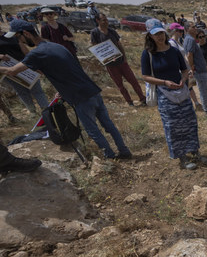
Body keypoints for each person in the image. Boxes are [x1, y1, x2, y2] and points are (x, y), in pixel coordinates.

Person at [1, 19, 131, 159]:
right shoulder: (55, 46)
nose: (20, 41)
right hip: (92, 90)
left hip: (80, 97)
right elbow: (65, 70)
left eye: (18, 37)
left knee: (92, 129)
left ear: (26, 33)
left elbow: (12, 71)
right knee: (108, 125)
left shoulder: (37, 53)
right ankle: (124, 151)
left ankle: (110, 156)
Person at [140, 19, 202, 170]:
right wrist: (164, 82)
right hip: (164, 93)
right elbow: (145, 76)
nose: (160, 37)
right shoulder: (148, 54)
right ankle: (182, 157)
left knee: (189, 121)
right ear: (150, 36)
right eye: (156, 34)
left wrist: (183, 79)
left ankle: (194, 151)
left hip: (181, 91)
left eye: (161, 33)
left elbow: (185, 70)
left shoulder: (173, 50)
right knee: (173, 126)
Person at [90, 13, 146, 106]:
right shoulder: (94, 32)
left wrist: (124, 57)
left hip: (121, 61)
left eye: (106, 19)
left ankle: (142, 98)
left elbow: (119, 44)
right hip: (110, 64)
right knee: (120, 84)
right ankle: (129, 101)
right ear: (98, 21)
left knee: (133, 81)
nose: (106, 22)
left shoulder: (112, 31)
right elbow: (96, 48)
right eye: (103, 20)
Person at [0, 25, 50, 115]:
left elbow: (24, 49)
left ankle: (46, 110)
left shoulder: (10, 35)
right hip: (7, 69)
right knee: (21, 91)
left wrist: (34, 63)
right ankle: (32, 112)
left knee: (36, 89)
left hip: (23, 64)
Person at [168, 22, 200, 109]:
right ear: (174, 31)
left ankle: (195, 104)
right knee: (185, 89)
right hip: (180, 71)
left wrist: (189, 68)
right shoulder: (172, 43)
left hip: (184, 70)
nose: (181, 32)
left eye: (182, 31)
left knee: (189, 87)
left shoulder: (177, 42)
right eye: (179, 31)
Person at [183, 22, 207, 115]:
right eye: (193, 27)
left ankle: (206, 109)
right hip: (199, 70)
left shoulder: (188, 39)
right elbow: (189, 55)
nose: (195, 28)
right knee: (204, 91)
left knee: (203, 90)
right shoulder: (190, 40)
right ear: (187, 29)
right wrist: (192, 67)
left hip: (198, 70)